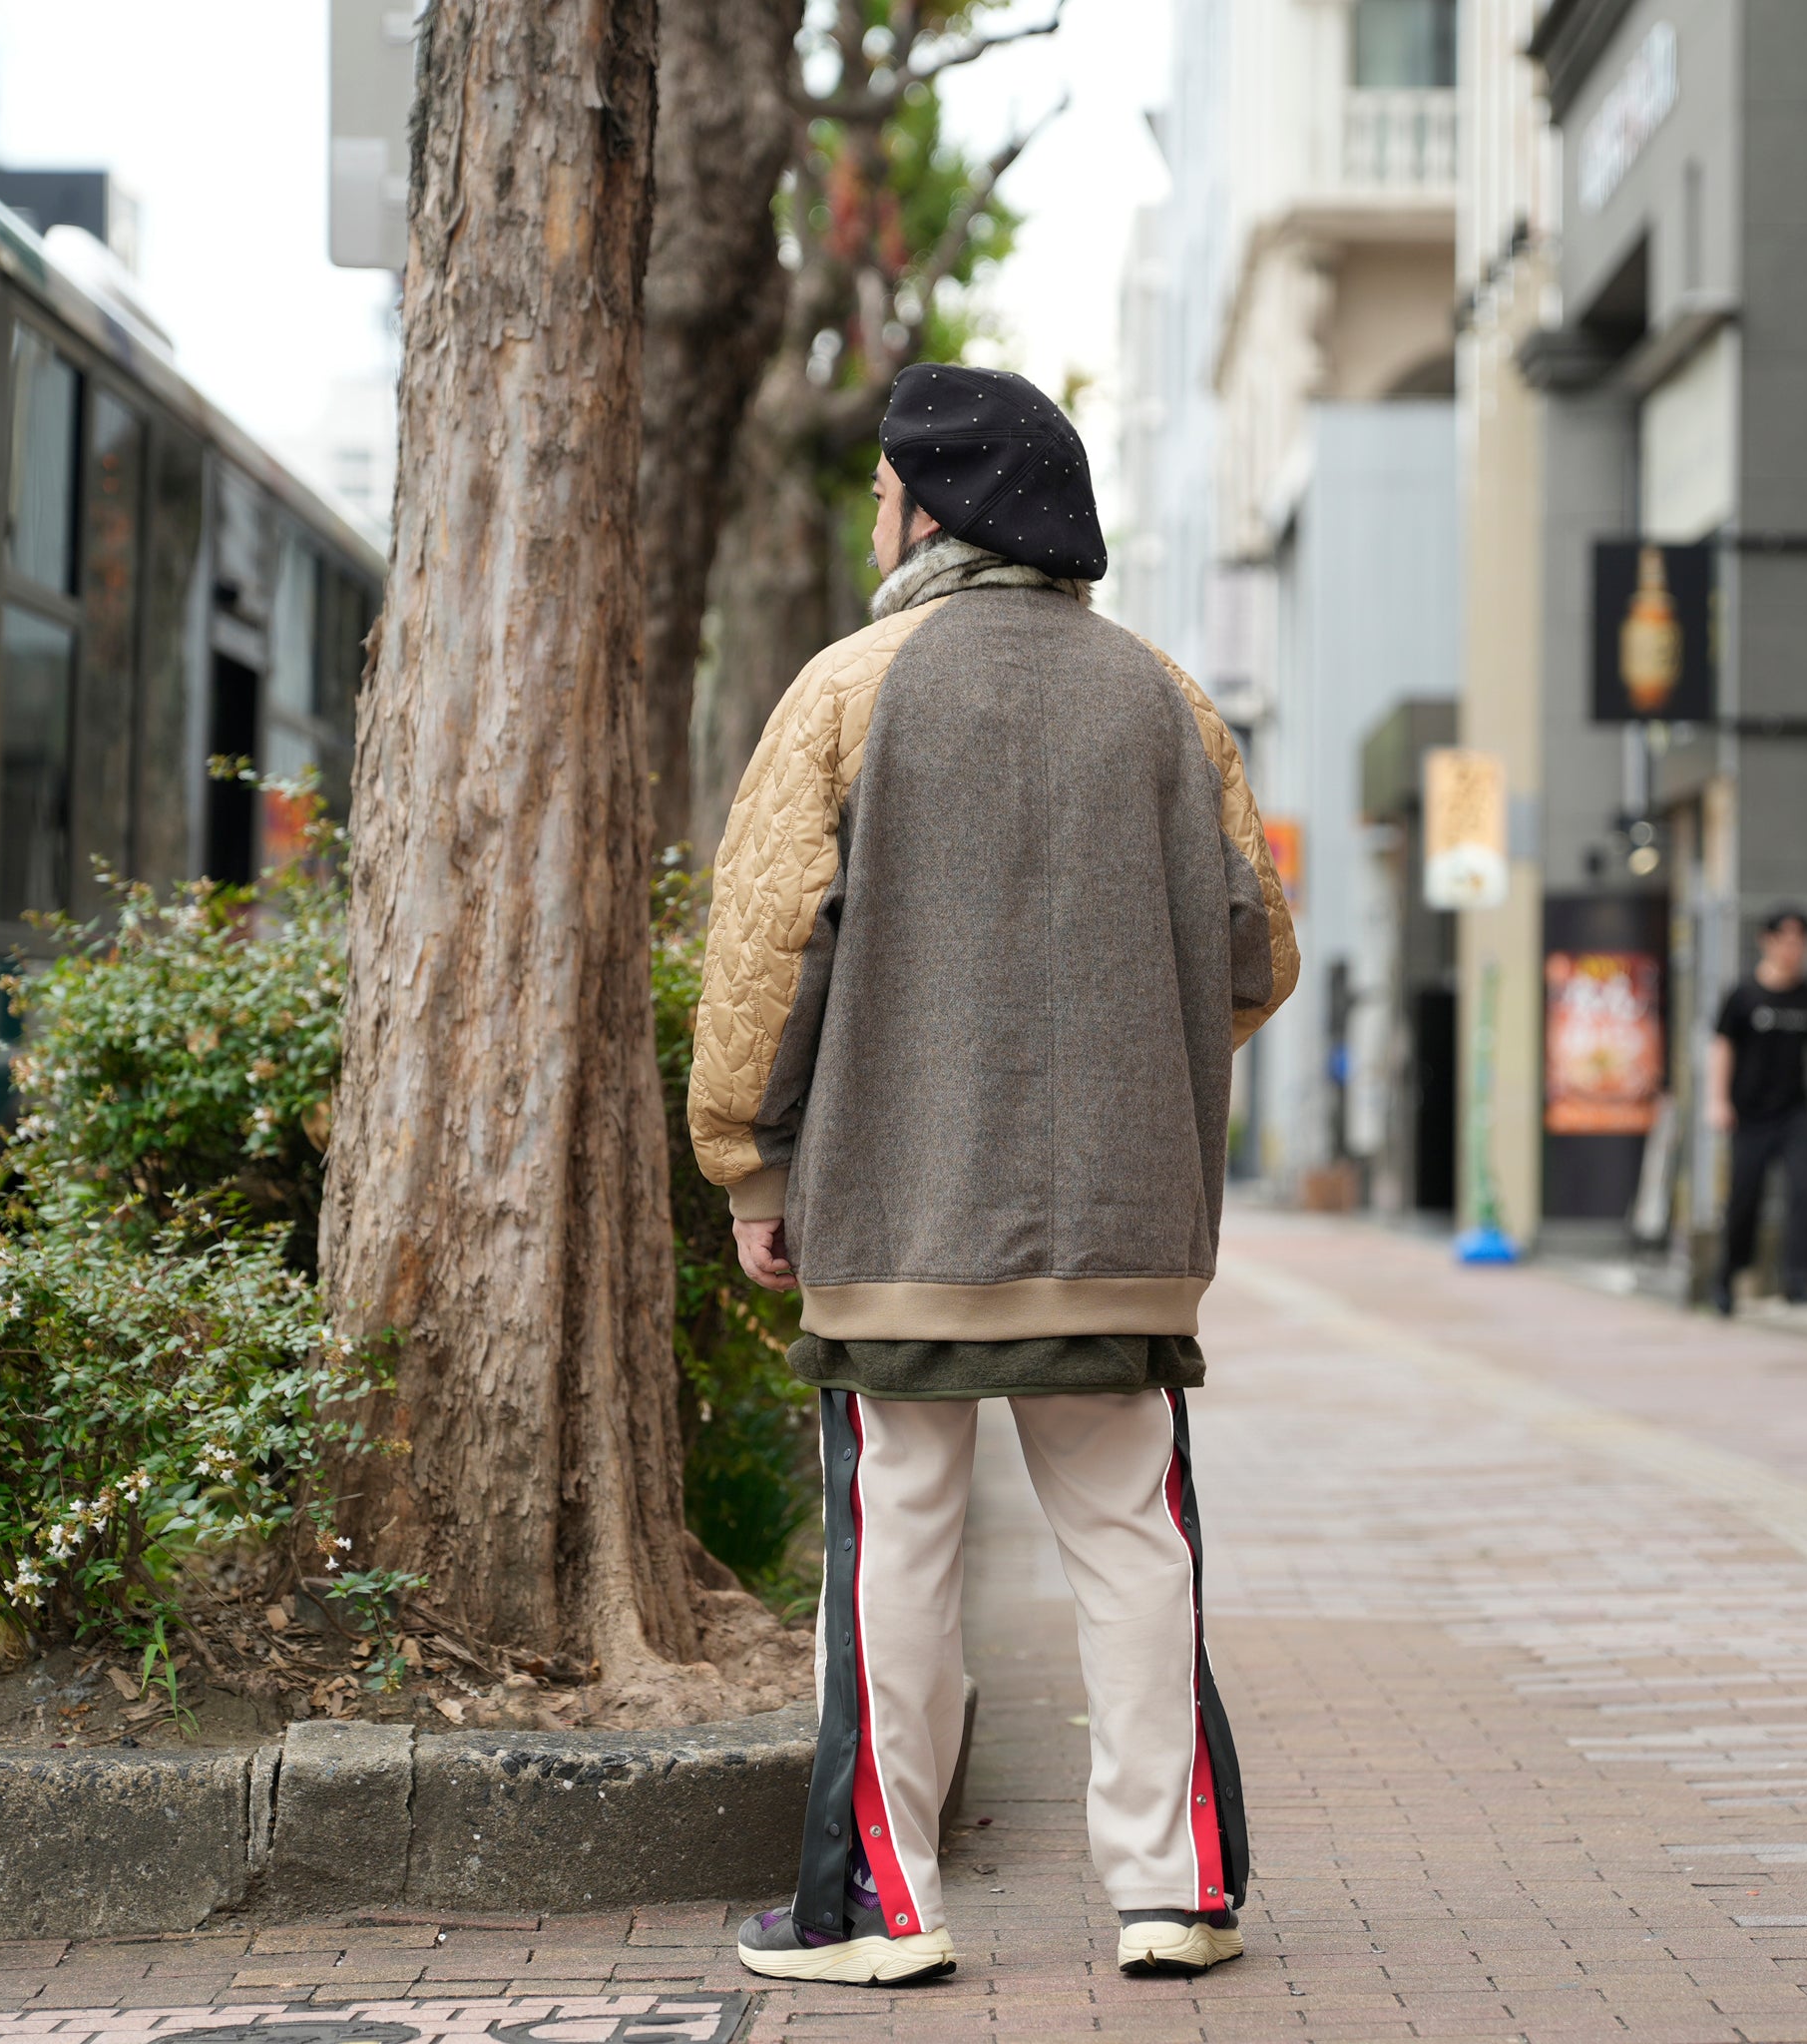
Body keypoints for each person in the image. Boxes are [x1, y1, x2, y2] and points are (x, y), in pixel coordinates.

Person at [686, 363, 1298, 1988]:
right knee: (1129, 1533)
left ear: (931, 510)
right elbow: (1255, 951)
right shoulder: (1165, 698)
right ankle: (1169, 1890)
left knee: (900, 1530)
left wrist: (752, 1167)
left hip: (899, 1207)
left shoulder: (846, 688)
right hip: (1121, 1217)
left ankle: (888, 1905)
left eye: (883, 490)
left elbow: (763, 962)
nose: (871, 514)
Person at [1707, 905, 1807, 1313]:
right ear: (1765, 942)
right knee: (1744, 1199)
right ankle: (1727, 1276)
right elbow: (1721, 1047)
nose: (1791, 948)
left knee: (1804, 1192)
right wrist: (1717, 1100)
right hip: (1748, 1114)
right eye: (1783, 940)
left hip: (1795, 1112)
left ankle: (1798, 1280)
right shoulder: (1743, 995)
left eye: (1799, 941)